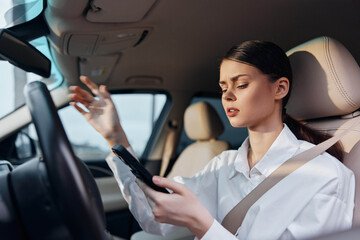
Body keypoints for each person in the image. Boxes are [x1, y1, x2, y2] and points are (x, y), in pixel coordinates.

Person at [69, 40, 355, 240]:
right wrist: (114, 137)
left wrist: (203, 225)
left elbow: (200, 225)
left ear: (280, 88)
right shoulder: (223, 165)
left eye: (241, 84)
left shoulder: (324, 174)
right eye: (223, 87)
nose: (228, 96)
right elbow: (154, 216)